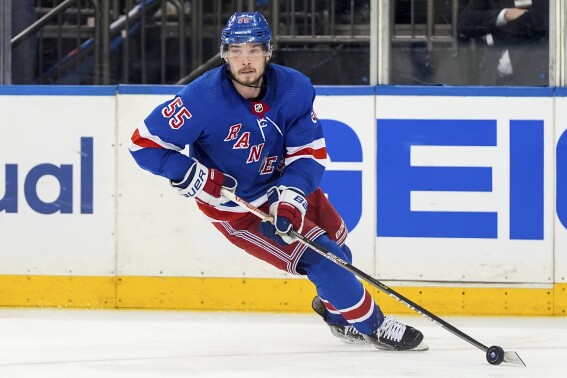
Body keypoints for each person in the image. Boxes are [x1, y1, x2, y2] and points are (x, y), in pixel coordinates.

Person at [129, 11, 427, 352]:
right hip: (240, 209)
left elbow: (307, 155)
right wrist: (189, 172)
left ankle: (337, 314)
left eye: (254, 50)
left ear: (269, 51)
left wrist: (293, 196)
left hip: (285, 185)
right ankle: (374, 326)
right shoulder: (202, 98)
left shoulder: (296, 87)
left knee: (339, 249)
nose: (245, 60)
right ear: (224, 53)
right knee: (324, 258)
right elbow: (143, 143)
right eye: (236, 51)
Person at [458, 0, 549, 86]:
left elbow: (546, 20)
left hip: (533, 73)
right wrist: (505, 15)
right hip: (493, 75)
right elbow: (465, 22)